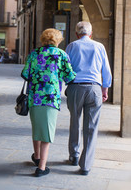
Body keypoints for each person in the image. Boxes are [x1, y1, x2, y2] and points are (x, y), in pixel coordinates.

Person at [21, 28, 76, 177]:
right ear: (57, 41)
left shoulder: (34, 53)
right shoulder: (61, 55)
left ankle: (37, 156)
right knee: (48, 131)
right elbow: (70, 76)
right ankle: (42, 167)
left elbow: (25, 74)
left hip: (34, 97)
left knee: (37, 128)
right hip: (51, 98)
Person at [65, 21, 112, 176]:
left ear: (77, 34)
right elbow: (106, 71)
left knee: (75, 121)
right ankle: (85, 165)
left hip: (75, 87)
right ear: (91, 34)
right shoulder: (99, 47)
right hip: (94, 88)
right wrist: (104, 89)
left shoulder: (72, 46)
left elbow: (66, 69)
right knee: (91, 127)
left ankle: (74, 155)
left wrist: (66, 86)